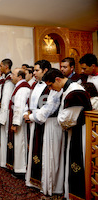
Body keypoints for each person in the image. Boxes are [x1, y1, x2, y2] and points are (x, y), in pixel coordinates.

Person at [42, 68, 92, 199]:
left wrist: (59, 118)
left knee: (77, 164)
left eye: (51, 85)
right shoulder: (67, 89)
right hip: (72, 132)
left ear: (57, 79)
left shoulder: (75, 92)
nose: (51, 89)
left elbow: (64, 119)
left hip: (80, 134)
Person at [24, 60, 64, 196]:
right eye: (33, 70)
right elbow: (31, 103)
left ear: (45, 70)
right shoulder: (35, 85)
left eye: (36, 70)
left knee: (48, 155)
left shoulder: (53, 87)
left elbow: (49, 107)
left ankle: (49, 185)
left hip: (49, 123)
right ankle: (36, 180)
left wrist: (32, 116)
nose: (33, 73)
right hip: (36, 120)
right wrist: (28, 113)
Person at [6, 68, 30, 175]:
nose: (11, 76)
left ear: (20, 77)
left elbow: (19, 107)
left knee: (20, 144)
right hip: (19, 119)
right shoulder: (20, 87)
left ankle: (21, 169)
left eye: (13, 74)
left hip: (20, 122)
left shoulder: (22, 89)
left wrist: (15, 123)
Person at [0, 58, 14, 168]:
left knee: (6, 136)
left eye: (1, 66)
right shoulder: (5, 78)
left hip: (7, 111)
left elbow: (7, 97)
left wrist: (2, 113)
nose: (0, 68)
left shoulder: (10, 79)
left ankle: (6, 161)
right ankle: (2, 160)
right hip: (3, 110)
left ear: (6, 66)